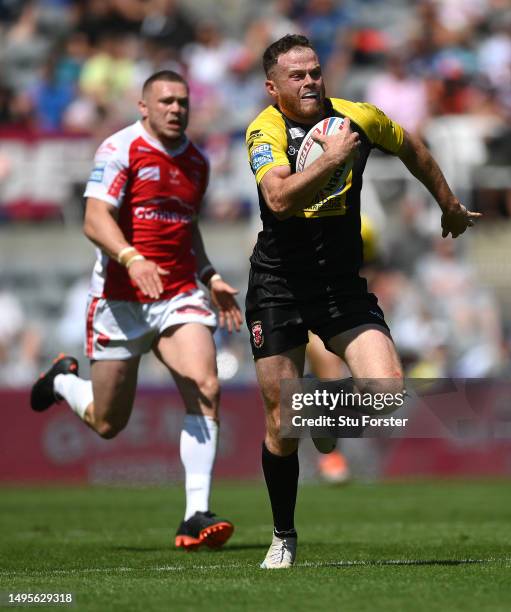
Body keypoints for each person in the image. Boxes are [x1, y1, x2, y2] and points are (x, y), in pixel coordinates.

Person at [245, 35, 480, 569]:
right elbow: (279, 200)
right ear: (272, 86)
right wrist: (331, 160)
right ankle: (283, 535)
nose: (309, 82)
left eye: (315, 72)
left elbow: (414, 148)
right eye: (297, 76)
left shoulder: (358, 118)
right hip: (278, 285)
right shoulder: (265, 130)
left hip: (340, 285)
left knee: (389, 392)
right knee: (281, 418)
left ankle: (323, 414)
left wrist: (449, 205)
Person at [30, 70, 242, 551]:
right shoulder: (119, 149)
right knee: (108, 423)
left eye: (182, 102)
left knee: (206, 384)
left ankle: (194, 515)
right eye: (165, 101)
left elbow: (185, 230)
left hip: (178, 294)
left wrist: (209, 276)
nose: (175, 109)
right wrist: (132, 257)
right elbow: (94, 218)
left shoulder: (196, 163)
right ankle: (62, 381)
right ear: (143, 106)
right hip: (120, 300)